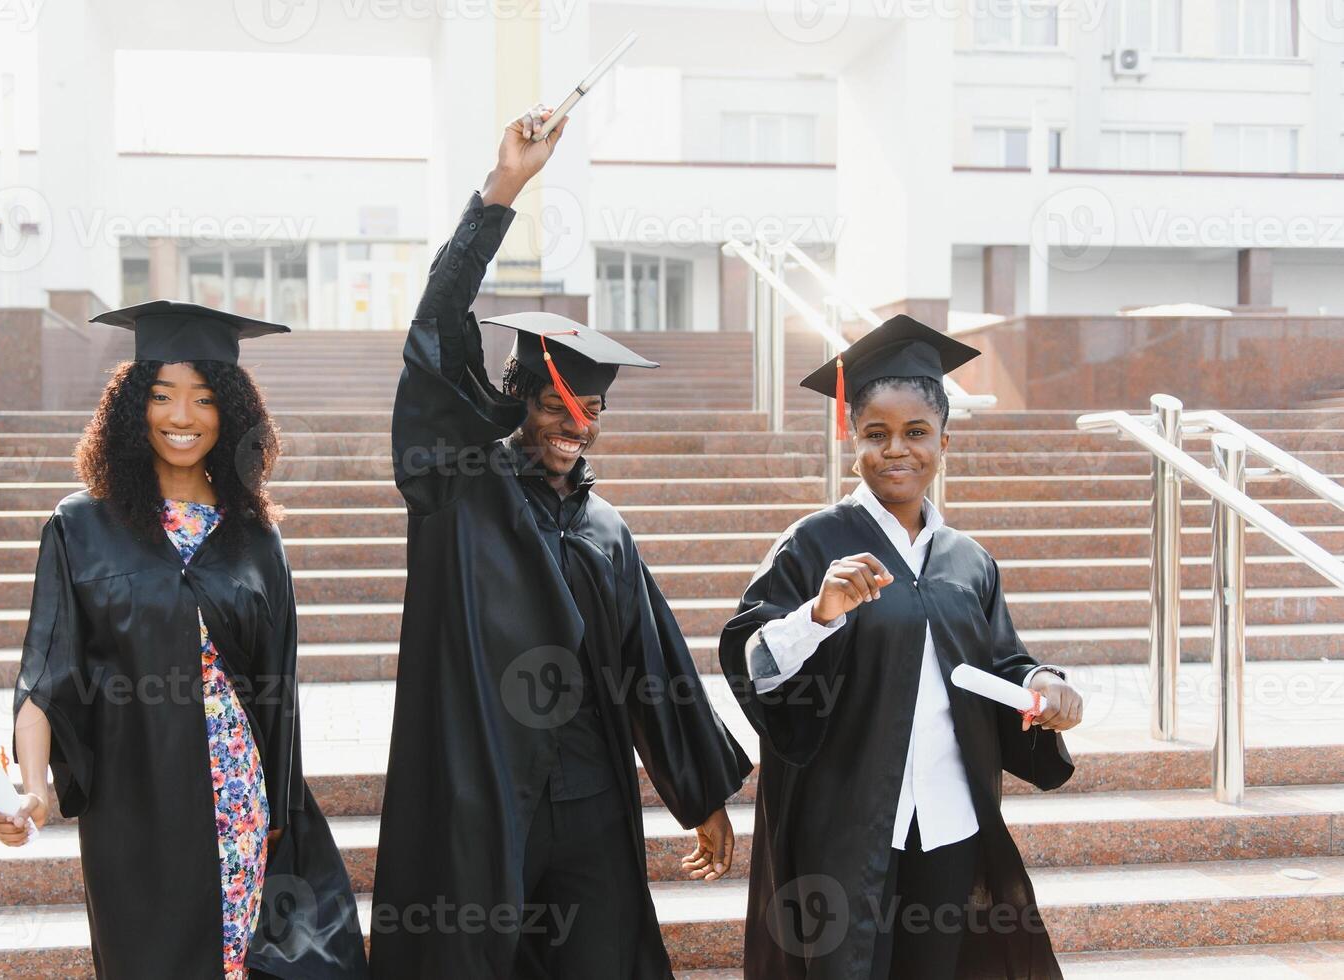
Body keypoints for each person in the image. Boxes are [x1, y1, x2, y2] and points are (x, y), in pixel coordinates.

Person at [371, 105, 752, 979]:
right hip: (478, 801)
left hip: (584, 804)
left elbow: (653, 665)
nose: (575, 425)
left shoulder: (605, 531)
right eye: (556, 404)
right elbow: (433, 336)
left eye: (592, 412)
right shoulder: (457, 494)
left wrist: (697, 796)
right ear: (517, 395)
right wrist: (503, 190)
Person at [0, 301, 368, 979]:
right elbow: (46, 672)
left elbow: (279, 689)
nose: (182, 416)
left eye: (204, 398)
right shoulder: (81, 527)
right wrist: (35, 790)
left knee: (232, 964)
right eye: (162, 396)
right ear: (134, 407)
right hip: (130, 800)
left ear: (233, 415)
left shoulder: (255, 539)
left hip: (236, 795)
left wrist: (277, 810)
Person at [718, 314, 1084, 980]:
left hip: (949, 818)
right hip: (846, 819)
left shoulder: (968, 561)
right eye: (876, 434)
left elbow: (1003, 662)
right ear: (851, 439)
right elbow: (754, 665)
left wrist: (1045, 683)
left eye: (917, 433)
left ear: (945, 439)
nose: (897, 451)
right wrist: (819, 613)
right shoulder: (814, 543)